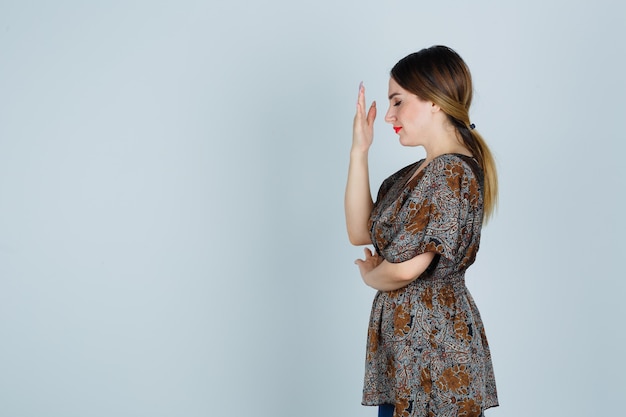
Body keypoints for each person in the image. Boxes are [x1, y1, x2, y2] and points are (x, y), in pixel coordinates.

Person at [344, 46, 499, 417]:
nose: (389, 115)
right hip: (406, 354)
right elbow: (358, 232)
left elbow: (404, 269)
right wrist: (359, 152)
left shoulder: (450, 173)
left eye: (397, 102)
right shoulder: (415, 174)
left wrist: (372, 276)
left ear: (433, 101)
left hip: (434, 354)